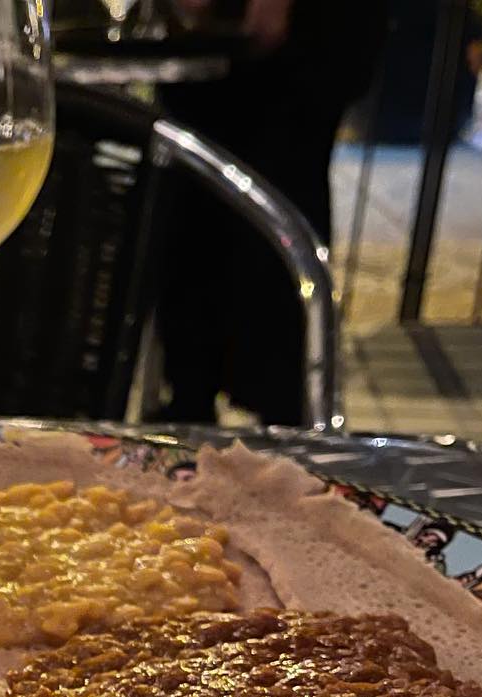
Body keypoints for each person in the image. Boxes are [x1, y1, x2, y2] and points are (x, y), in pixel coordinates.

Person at [153, 0, 388, 426]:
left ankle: (280, 412)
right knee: (192, 207)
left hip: (297, 42)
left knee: (275, 198)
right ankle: (192, 398)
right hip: (219, 46)